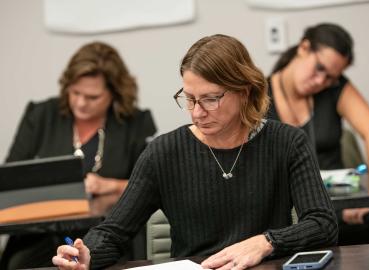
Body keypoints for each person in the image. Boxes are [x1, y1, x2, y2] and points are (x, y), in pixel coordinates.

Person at [52, 34, 337, 270]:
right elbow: (113, 232)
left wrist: (266, 242)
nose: (197, 113)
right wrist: (86, 253)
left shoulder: (287, 142)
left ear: (246, 91)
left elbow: (323, 223)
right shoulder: (163, 153)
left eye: (210, 99)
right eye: (189, 99)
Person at [0, 41, 157, 269]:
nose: (81, 103)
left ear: (115, 93)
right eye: (75, 93)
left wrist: (111, 185)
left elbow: (151, 187)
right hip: (41, 235)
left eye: (92, 97)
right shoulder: (42, 115)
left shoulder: (135, 124)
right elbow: (10, 180)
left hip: (109, 234)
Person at [266, 23, 369, 245]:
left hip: (338, 207)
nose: (322, 81)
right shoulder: (259, 96)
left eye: (331, 77)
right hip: (291, 215)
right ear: (304, 48)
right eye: (319, 68)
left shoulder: (334, 88)